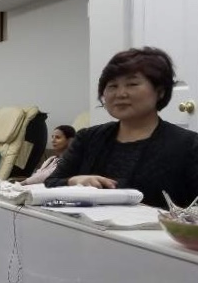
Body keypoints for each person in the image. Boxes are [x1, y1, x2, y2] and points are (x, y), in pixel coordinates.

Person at [46, 46, 198, 208]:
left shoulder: (189, 145)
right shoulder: (87, 138)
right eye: (112, 86)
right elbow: (51, 183)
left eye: (132, 84)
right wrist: (74, 181)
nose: (120, 94)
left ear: (160, 91)